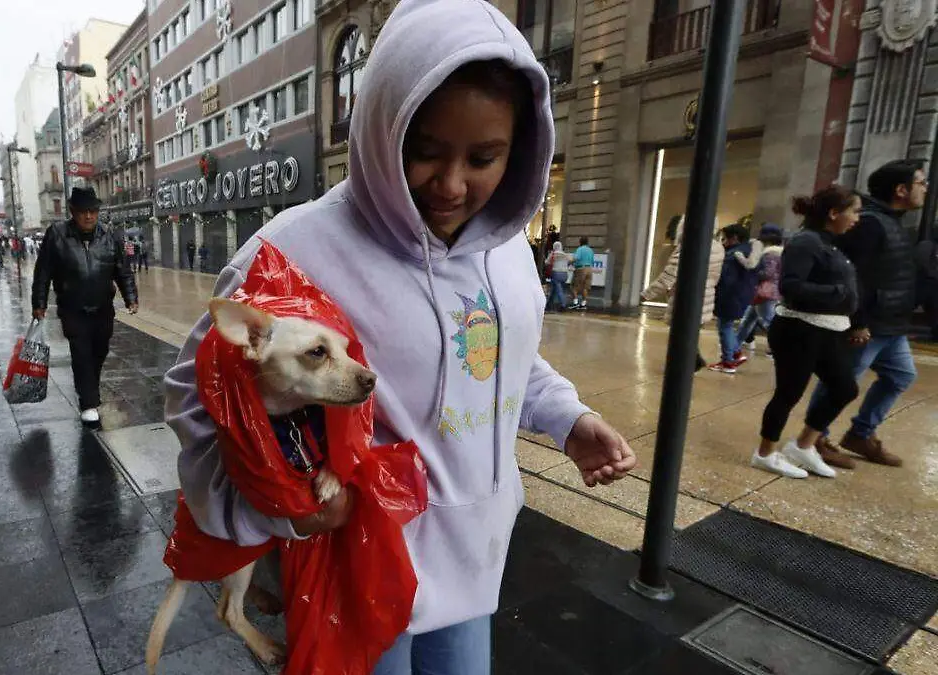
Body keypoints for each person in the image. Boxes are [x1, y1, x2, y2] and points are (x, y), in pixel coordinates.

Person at [164, 1, 637, 672]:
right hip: (357, 571)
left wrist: (569, 418)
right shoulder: (295, 249)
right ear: (385, 126)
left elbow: (503, 359)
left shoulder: (507, 249)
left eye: (484, 157)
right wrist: (281, 516)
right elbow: (194, 394)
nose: (451, 184)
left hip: (476, 562)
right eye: (426, 152)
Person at [808, 160, 925, 468]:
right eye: (921, 183)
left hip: (891, 323)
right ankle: (813, 438)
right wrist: (857, 321)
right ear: (901, 190)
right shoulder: (872, 223)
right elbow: (849, 274)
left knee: (900, 375)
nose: (925, 189)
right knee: (841, 381)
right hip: (869, 323)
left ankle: (861, 433)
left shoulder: (892, 221)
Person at [752, 186, 862, 478]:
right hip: (799, 330)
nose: (857, 218)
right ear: (834, 213)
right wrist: (838, 293)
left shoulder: (831, 243)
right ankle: (765, 453)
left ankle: (803, 446)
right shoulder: (806, 242)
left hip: (827, 330)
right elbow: (790, 286)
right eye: (854, 211)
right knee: (789, 393)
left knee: (845, 388)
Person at [32, 187, 139, 425]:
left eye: (93, 211)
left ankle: (89, 387)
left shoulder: (109, 236)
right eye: (83, 212)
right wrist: (38, 303)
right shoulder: (57, 235)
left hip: (103, 308)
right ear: (73, 212)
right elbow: (43, 271)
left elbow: (122, 271)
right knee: (81, 354)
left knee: (98, 353)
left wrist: (131, 297)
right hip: (73, 308)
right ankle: (89, 402)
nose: (89, 216)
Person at [641, 222, 726, 372]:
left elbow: (669, 275)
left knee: (679, 335)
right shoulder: (718, 247)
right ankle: (692, 361)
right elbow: (716, 276)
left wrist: (646, 295)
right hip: (706, 296)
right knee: (690, 334)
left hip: (686, 297)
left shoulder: (689, 244)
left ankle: (684, 365)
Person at [709, 224, 758, 374]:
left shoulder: (733, 255)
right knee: (727, 325)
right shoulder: (748, 251)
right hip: (741, 295)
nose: (723, 242)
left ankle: (728, 361)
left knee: (725, 327)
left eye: (725, 238)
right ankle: (736, 353)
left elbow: (725, 278)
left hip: (729, 295)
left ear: (735, 238)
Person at [734, 223, 784, 358]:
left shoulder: (770, 253)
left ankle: (782, 349)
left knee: (768, 322)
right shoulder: (779, 252)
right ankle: (734, 346)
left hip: (765, 292)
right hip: (768, 291)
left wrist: (752, 270)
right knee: (748, 320)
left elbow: (768, 273)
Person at [544, 240, 572, 311]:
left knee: (559, 290)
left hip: (556, 273)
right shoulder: (565, 254)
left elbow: (547, 262)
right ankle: (549, 304)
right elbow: (570, 261)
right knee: (554, 289)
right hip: (565, 274)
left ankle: (563, 305)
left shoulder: (553, 254)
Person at [570, 236, 594, 309]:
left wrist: (570, 262)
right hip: (589, 269)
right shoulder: (590, 250)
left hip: (581, 269)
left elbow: (576, 258)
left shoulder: (580, 249)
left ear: (580, 242)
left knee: (573, 286)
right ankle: (583, 304)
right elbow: (592, 260)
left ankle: (575, 303)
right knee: (585, 287)